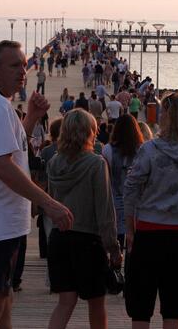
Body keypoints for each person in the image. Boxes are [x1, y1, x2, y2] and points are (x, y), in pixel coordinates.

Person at [0, 40, 73, 329]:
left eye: (24, 65)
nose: (23, 72)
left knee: (4, 299)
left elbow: (5, 148)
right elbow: (2, 165)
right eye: (14, 66)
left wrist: (32, 118)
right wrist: (48, 203)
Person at [123, 93, 178, 329]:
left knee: (141, 304)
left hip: (149, 229)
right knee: (174, 304)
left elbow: (130, 188)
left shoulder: (150, 149)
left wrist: (129, 227)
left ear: (166, 117)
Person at [47, 109, 121, 329]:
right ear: (90, 132)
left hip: (59, 238)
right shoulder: (96, 164)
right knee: (96, 303)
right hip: (88, 240)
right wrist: (113, 248)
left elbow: (51, 201)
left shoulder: (54, 163)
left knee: (65, 303)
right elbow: (105, 210)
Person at [101, 115, 144, 247]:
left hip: (115, 200)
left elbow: (105, 176)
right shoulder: (142, 150)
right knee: (135, 239)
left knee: (117, 237)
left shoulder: (108, 149)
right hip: (137, 202)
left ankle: (116, 263)